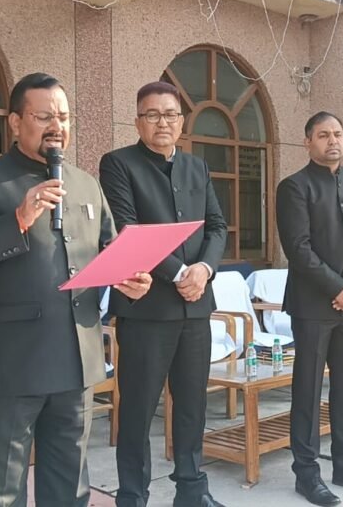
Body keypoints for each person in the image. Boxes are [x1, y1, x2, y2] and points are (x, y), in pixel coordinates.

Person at [0, 72, 152, 506]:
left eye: (64, 117)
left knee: (69, 490)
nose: (57, 126)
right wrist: (17, 219)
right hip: (8, 366)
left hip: (75, 362)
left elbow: (110, 250)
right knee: (1, 493)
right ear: (16, 122)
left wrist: (132, 279)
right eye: (44, 117)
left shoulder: (86, 183)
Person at [99, 81, 227, 507]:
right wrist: (181, 273)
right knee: (137, 409)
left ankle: (192, 490)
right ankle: (132, 495)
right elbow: (129, 228)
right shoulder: (118, 163)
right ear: (138, 121)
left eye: (170, 114)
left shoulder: (197, 167)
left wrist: (204, 269)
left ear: (182, 121)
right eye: (152, 114)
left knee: (192, 406)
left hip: (196, 307)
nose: (162, 122)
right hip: (146, 309)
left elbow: (216, 226)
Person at [276, 112, 343, 506]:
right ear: (308, 142)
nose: (332, 141)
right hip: (312, 306)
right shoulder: (294, 187)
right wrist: (339, 288)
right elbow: (298, 249)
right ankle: (306, 473)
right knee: (307, 390)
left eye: (337, 134)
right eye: (323, 135)